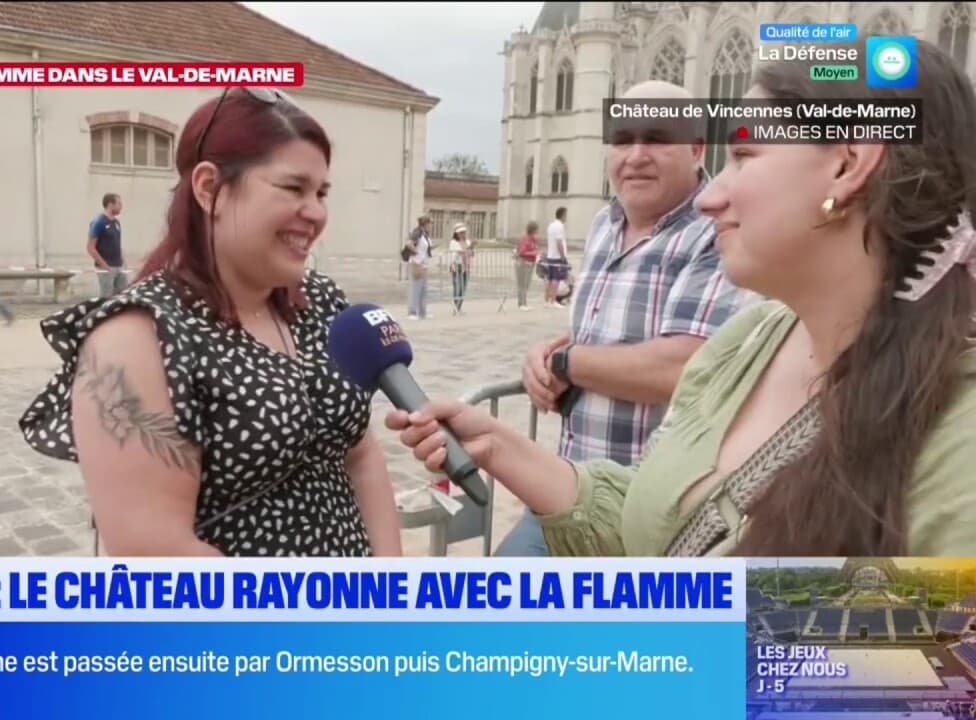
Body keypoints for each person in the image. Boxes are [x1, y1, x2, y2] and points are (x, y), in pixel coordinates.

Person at [387, 38, 976, 557]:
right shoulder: (750, 341)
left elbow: (910, 668)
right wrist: (502, 447)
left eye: (744, 155)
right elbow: (665, 538)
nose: (708, 199)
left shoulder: (959, 441)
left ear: (849, 163)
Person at [19, 86, 402, 557]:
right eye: (293, 188)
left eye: (321, 192)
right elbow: (155, 549)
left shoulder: (320, 302)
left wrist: (388, 589)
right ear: (208, 188)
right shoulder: (136, 339)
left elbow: (361, 457)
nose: (317, 212)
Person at [492, 79, 751, 557]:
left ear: (696, 148)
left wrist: (567, 363)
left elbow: (685, 365)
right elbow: (609, 334)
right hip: (567, 488)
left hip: (652, 517)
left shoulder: (718, 229)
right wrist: (548, 353)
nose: (635, 155)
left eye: (656, 138)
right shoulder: (604, 223)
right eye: (623, 139)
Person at [88, 193, 127, 297]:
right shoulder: (98, 222)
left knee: (122, 297)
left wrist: (123, 260)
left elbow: (117, 243)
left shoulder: (116, 223)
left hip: (119, 267)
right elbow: (90, 248)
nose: (121, 206)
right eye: (119, 203)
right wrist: (105, 266)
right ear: (110, 204)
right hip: (106, 268)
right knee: (106, 299)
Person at [540, 206, 570, 307]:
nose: (566, 218)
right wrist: (563, 257)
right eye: (566, 215)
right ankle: (553, 301)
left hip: (550, 255)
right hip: (557, 256)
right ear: (562, 215)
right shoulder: (559, 226)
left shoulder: (551, 226)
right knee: (556, 279)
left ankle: (547, 300)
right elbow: (559, 242)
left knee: (549, 278)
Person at [404, 216, 432, 319]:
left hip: (424, 264)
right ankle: (412, 312)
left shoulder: (425, 235)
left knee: (423, 289)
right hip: (417, 263)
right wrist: (416, 253)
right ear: (425, 224)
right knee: (415, 288)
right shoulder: (418, 232)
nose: (431, 226)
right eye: (430, 224)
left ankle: (422, 311)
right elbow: (409, 244)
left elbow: (425, 248)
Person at [447, 222, 474, 313]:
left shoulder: (467, 241)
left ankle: (459, 307)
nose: (462, 234)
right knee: (457, 286)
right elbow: (458, 252)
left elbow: (471, 253)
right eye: (460, 232)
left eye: (463, 232)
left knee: (463, 287)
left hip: (466, 266)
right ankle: (455, 306)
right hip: (457, 266)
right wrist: (468, 249)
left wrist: (471, 248)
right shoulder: (453, 242)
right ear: (456, 233)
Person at [514, 220, 539, 310]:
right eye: (536, 229)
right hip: (522, 263)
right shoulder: (525, 239)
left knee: (527, 283)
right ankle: (521, 304)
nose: (537, 231)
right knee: (522, 284)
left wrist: (536, 254)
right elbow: (521, 252)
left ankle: (524, 302)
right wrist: (533, 253)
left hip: (531, 263)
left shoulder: (535, 240)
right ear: (532, 229)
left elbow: (536, 249)